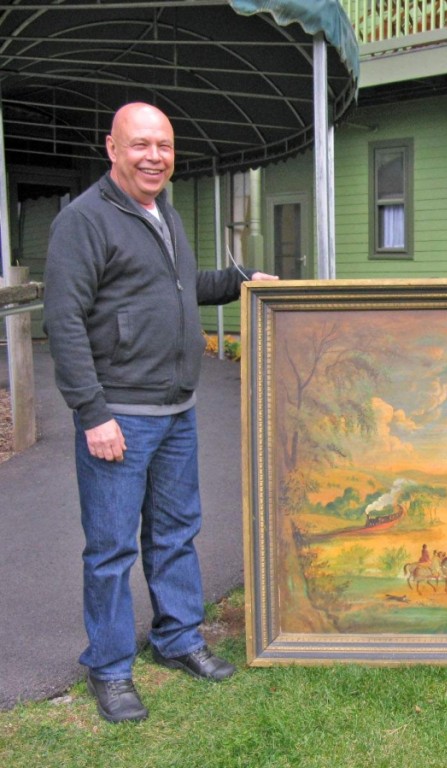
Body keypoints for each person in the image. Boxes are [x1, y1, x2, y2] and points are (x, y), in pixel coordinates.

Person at [44, 102, 278, 723]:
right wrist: (92, 413)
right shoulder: (83, 221)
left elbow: (176, 287)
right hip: (119, 412)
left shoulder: (163, 213)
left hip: (177, 410)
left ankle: (178, 640)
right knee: (112, 549)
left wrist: (244, 279)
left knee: (177, 533)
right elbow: (63, 322)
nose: (155, 156)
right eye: (141, 144)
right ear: (112, 148)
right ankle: (111, 668)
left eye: (164, 147)